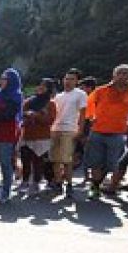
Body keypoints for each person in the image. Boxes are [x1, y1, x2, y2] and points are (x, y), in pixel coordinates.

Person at [83, 65, 128, 198]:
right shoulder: (101, 90)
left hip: (119, 132)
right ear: (114, 75)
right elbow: (89, 104)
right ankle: (95, 187)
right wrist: (91, 118)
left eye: (125, 73)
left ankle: (111, 186)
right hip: (98, 130)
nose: (122, 76)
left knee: (115, 163)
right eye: (119, 73)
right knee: (95, 162)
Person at [0, 68, 23, 204]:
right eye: (1, 78)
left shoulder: (15, 96)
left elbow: (8, 115)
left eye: (4, 78)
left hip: (7, 133)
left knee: (5, 163)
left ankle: (6, 192)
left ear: (11, 81)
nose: (1, 81)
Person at [50, 68, 88, 197]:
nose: (68, 81)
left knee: (67, 159)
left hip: (70, 129)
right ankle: (58, 183)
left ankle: (69, 184)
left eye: (71, 79)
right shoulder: (58, 96)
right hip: (55, 129)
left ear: (77, 81)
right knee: (55, 159)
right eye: (66, 78)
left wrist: (80, 129)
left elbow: (83, 114)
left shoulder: (80, 94)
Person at [18, 78, 57, 194]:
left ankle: (36, 183)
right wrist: (27, 116)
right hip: (27, 135)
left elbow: (50, 120)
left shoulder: (51, 104)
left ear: (48, 90)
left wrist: (36, 116)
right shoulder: (29, 101)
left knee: (38, 161)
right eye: (40, 85)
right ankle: (24, 181)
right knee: (25, 160)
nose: (40, 88)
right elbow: (21, 115)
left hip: (42, 137)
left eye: (44, 86)